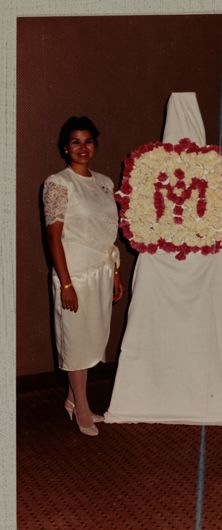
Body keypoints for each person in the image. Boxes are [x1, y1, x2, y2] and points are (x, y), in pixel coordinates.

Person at [105, 93, 222, 425]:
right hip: (166, 265)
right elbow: (136, 220)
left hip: (197, 265)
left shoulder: (216, 168)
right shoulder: (150, 166)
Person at [43, 116, 123, 436]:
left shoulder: (104, 182)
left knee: (92, 339)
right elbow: (53, 237)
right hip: (74, 273)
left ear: (96, 145)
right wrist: (65, 282)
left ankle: (73, 399)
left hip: (101, 270)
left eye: (88, 141)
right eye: (75, 141)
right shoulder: (58, 183)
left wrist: (115, 272)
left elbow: (108, 232)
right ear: (66, 147)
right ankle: (83, 408)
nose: (82, 147)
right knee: (76, 339)